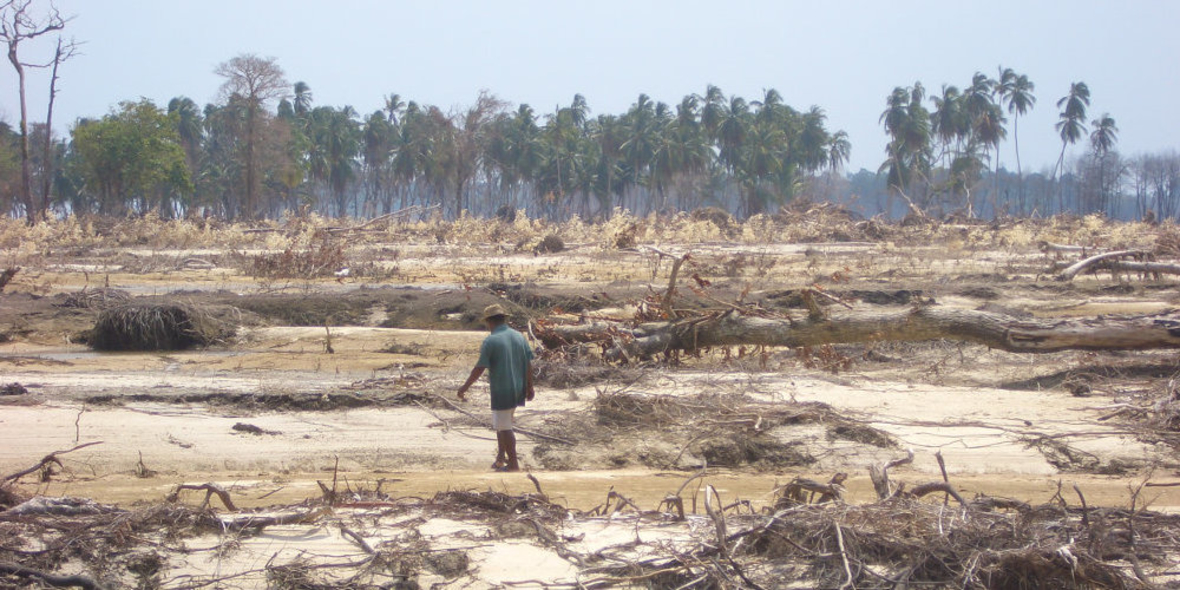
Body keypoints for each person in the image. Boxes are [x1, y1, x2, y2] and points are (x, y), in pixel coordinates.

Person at [457, 304, 535, 472]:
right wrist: (530, 386)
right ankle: (501, 458)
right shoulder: (519, 337)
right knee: (501, 424)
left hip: (502, 389)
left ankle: (513, 464)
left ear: (489, 322)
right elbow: (528, 363)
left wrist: (464, 388)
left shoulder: (491, 340)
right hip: (519, 387)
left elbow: (480, 368)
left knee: (505, 427)